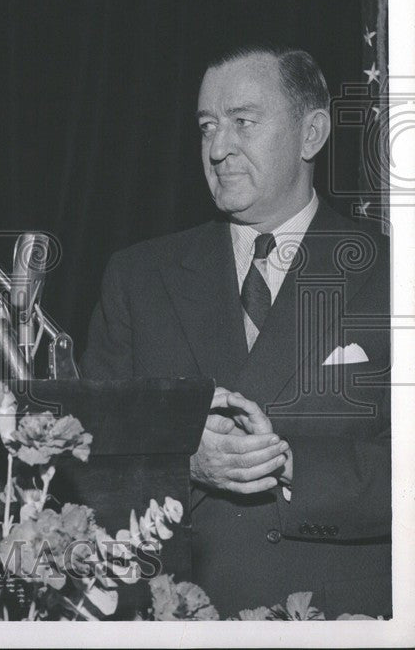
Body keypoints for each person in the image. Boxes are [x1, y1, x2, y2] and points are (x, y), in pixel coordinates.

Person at [81, 45, 390, 618]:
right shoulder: (138, 277)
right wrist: (183, 460)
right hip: (178, 615)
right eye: (206, 127)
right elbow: (86, 457)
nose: (218, 148)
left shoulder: (393, 274)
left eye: (243, 122)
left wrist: (288, 463)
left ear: (311, 134)